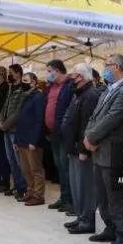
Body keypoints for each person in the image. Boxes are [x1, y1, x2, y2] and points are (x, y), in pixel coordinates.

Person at [84, 54, 123, 244]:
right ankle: (110, 228)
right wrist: (88, 137)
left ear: (116, 66)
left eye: (107, 65)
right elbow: (95, 117)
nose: (104, 69)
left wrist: (91, 138)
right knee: (102, 195)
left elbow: (112, 119)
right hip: (99, 150)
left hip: (114, 150)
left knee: (115, 196)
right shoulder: (108, 90)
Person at [62, 63, 103, 234]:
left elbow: (87, 125)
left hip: (82, 150)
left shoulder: (90, 95)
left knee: (85, 186)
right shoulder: (78, 94)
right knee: (76, 185)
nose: (72, 78)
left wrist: (84, 150)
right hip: (73, 148)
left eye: (74, 75)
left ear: (82, 77)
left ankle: (88, 220)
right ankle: (81, 216)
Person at [43, 59, 76, 213]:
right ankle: (63, 197)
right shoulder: (51, 87)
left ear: (57, 70)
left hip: (64, 134)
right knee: (59, 168)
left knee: (66, 168)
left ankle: (70, 200)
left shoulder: (69, 86)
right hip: (52, 133)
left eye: (49, 70)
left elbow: (70, 111)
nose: (47, 74)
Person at [13, 72, 46, 206]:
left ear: (33, 82)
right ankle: (30, 191)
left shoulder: (38, 97)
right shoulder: (26, 97)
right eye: (23, 80)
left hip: (32, 140)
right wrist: (16, 140)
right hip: (21, 139)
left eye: (26, 81)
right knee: (25, 169)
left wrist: (34, 140)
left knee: (35, 169)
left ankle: (39, 195)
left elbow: (39, 120)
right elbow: (20, 120)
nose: (24, 83)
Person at [0, 64, 29, 200]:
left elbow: (18, 111)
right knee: (11, 160)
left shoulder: (23, 88)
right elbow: (5, 105)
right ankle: (16, 185)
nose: (9, 75)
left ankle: (23, 187)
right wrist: (0, 120)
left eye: (11, 72)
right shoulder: (11, 88)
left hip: (15, 129)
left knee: (19, 160)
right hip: (6, 129)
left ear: (18, 73)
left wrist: (6, 124)